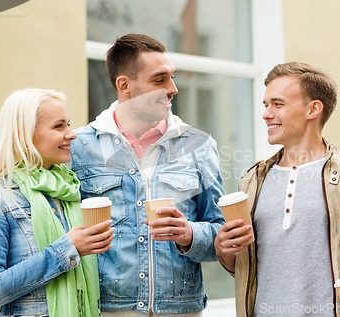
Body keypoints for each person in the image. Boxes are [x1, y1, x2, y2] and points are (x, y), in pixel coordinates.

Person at [69, 33, 225, 316]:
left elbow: (223, 234)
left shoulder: (199, 146)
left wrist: (190, 234)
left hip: (182, 310)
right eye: (159, 79)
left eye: (173, 77)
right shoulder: (79, 146)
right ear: (124, 85)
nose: (173, 88)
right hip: (105, 309)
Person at [214, 62, 340, 317]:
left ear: (313, 109)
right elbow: (242, 267)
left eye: (277, 104)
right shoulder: (252, 180)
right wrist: (224, 250)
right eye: (266, 105)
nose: (266, 114)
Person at [0, 88, 114, 317]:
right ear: (25, 134)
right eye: (59, 126)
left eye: (68, 124)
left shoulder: (69, 188)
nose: (71, 134)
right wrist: (67, 250)